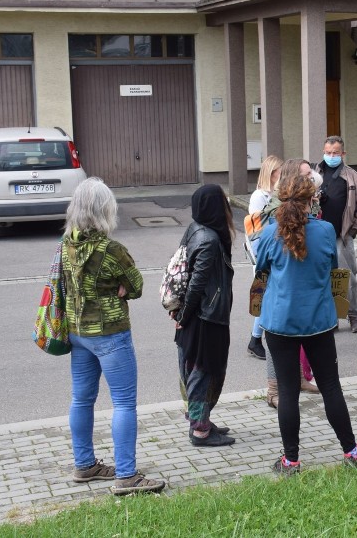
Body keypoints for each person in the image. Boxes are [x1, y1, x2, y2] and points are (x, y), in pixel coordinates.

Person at [257, 173, 357, 474]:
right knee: (331, 387)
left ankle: (291, 460)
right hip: (318, 321)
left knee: (287, 392)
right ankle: (352, 451)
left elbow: (261, 270)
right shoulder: (325, 231)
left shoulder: (270, 232)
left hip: (279, 321)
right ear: (313, 199)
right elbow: (331, 268)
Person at [62, 177, 165, 495]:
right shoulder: (111, 250)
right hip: (109, 334)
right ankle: (127, 475)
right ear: (104, 210)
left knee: (81, 398)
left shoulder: (67, 244)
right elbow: (135, 285)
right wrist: (120, 289)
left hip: (78, 332)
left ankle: (85, 465)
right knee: (123, 403)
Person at [253, 158, 322, 409]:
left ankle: (302, 378)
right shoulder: (275, 209)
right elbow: (267, 252)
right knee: (278, 336)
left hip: (303, 282)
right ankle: (273, 389)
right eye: (306, 174)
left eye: (311, 174)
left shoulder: (310, 205)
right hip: (281, 284)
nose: (311, 177)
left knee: (300, 335)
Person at [174, 184, 236, 448]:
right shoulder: (209, 239)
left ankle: (202, 419)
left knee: (196, 369)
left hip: (198, 315)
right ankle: (200, 430)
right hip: (206, 317)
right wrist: (184, 317)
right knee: (203, 371)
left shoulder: (195, 229)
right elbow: (197, 283)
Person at [315, 136, 357, 333]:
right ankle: (332, 317)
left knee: (348, 277)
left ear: (343, 154)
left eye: (335, 153)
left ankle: (354, 314)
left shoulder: (354, 177)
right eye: (328, 152)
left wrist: (352, 231)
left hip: (341, 235)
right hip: (317, 236)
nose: (331, 156)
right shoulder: (314, 173)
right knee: (323, 277)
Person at [246, 154, 283, 360]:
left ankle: (257, 338)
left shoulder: (275, 194)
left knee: (268, 297)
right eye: (279, 171)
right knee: (265, 298)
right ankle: (255, 339)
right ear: (271, 172)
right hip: (263, 254)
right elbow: (255, 229)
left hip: (273, 251)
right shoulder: (259, 196)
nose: (282, 174)